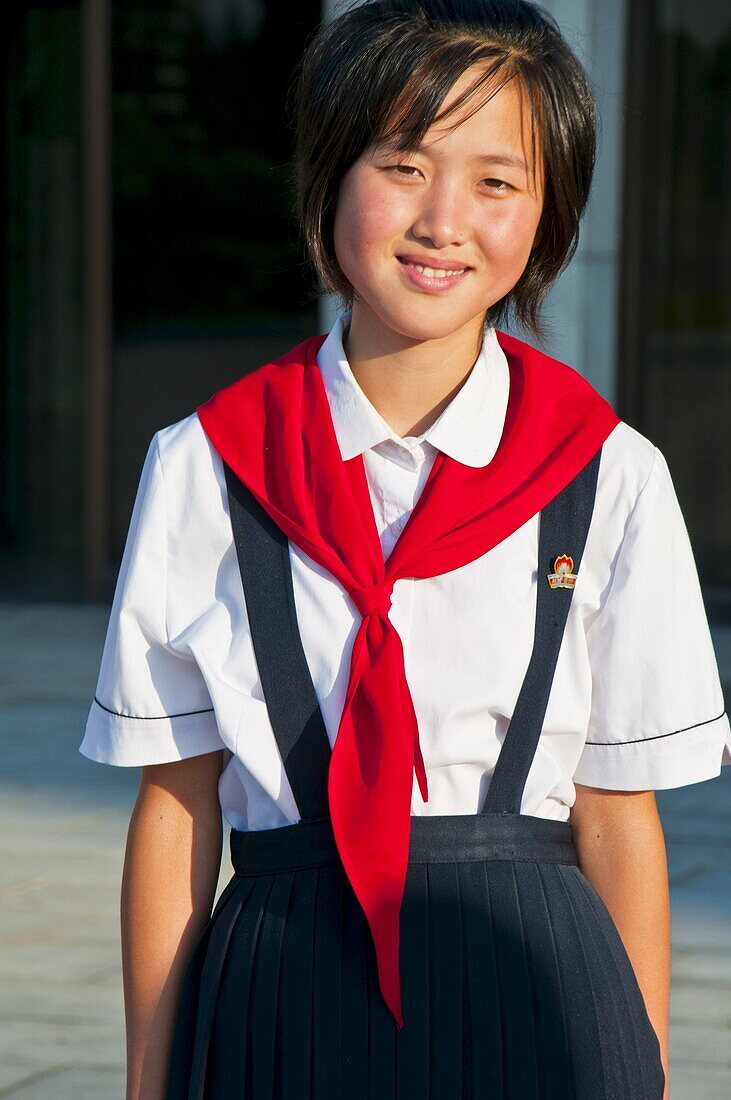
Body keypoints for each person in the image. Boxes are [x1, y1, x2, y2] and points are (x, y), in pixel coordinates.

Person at [79, 2, 730, 1097]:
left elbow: (618, 812)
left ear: (548, 212)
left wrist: (645, 1066)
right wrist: (151, 1077)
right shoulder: (207, 463)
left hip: (539, 982)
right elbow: (177, 801)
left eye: (496, 180)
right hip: (278, 979)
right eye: (403, 162)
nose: (442, 219)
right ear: (329, 178)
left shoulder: (607, 474)